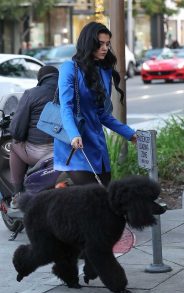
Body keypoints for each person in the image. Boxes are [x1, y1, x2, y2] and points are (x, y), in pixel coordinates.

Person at [54, 21, 137, 187]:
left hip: (96, 142)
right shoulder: (69, 68)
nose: (105, 48)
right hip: (74, 143)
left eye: (107, 44)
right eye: (100, 44)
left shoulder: (104, 71)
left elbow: (101, 113)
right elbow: (66, 107)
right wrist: (73, 134)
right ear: (88, 44)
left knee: (104, 193)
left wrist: (129, 133)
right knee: (91, 197)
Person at [9, 65, 59, 208]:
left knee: (14, 145)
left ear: (40, 80)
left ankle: (17, 194)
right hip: (66, 151)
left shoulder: (31, 94)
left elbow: (17, 131)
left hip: (39, 152)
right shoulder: (68, 92)